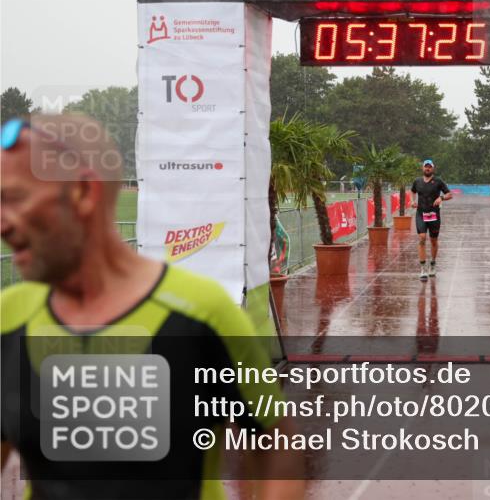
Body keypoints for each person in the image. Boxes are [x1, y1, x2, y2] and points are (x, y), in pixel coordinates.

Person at [0, 114, 304, 499]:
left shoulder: (202, 314)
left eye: (14, 199)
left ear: (83, 192)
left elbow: (275, 444)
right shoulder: (8, 316)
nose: (2, 223)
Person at [410, 159, 452, 281]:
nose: (427, 168)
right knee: (422, 237)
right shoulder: (417, 181)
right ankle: (423, 268)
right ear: (422, 168)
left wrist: (441, 198)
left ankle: (432, 263)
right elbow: (412, 191)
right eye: (425, 166)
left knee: (434, 241)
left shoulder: (438, 181)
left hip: (434, 215)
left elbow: (449, 194)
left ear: (433, 168)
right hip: (421, 214)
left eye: (429, 167)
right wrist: (412, 201)